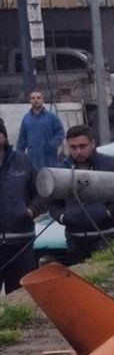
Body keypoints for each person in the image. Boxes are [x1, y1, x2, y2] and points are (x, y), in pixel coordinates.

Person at [47, 125, 114, 264]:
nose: (78, 151)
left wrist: (109, 212)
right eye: (73, 147)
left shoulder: (113, 165)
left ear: (93, 143)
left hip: (109, 236)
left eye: (82, 146)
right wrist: (63, 217)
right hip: (76, 241)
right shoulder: (62, 170)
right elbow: (52, 203)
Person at [0, 119, 44, 293]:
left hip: (21, 243)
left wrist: (31, 211)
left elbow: (41, 193)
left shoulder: (23, 161)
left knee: (20, 298)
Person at [16, 89, 63, 171]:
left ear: (43, 100)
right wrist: (18, 157)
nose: (36, 100)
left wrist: (52, 144)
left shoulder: (51, 117)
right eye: (33, 98)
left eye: (38, 97)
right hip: (32, 159)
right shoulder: (26, 119)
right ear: (30, 101)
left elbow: (60, 132)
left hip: (49, 159)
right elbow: (22, 140)